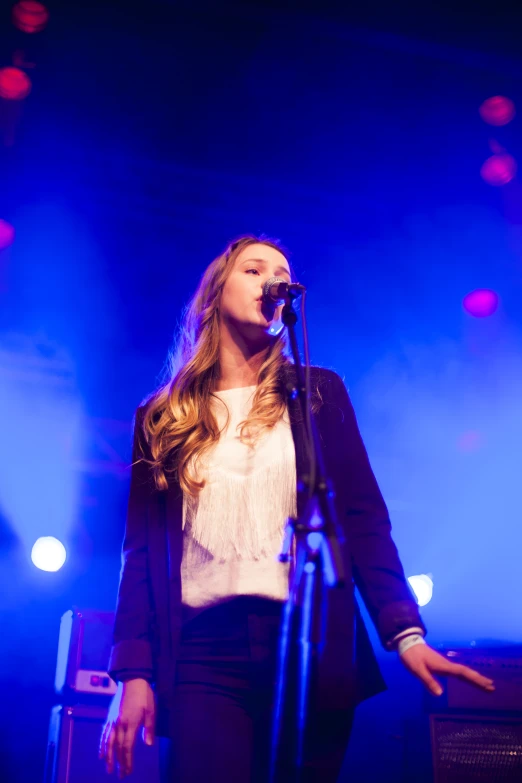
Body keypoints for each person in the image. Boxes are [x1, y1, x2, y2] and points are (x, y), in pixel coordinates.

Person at [99, 235, 494, 782]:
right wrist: (133, 673)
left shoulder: (317, 394)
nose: (272, 281)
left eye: (281, 273)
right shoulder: (163, 417)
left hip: (309, 641)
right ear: (215, 296)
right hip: (203, 652)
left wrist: (406, 632)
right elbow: (140, 554)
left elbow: (362, 520)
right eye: (254, 270)